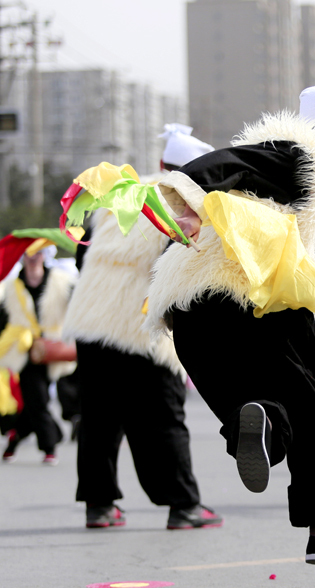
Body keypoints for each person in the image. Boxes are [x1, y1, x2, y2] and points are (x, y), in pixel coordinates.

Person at [144, 76, 315, 569]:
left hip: (190, 312)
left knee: (255, 402)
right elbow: (210, 166)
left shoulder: (282, 182)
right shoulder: (300, 153)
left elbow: (289, 237)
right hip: (248, 298)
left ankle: (263, 427)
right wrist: (184, 200)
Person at [62, 125, 222, 530]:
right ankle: (184, 505)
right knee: (163, 416)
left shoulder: (120, 196)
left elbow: (84, 258)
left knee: (98, 418)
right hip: (140, 326)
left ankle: (98, 506)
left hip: (91, 320)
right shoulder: (188, 207)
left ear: (161, 165)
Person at [1, 247, 76, 464]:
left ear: (45, 256)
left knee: (35, 399)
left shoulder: (61, 282)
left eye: (38, 254)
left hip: (53, 349)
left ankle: (17, 435)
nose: (33, 259)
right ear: (22, 257)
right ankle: (50, 445)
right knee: (37, 397)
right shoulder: (12, 286)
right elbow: (3, 318)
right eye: (28, 254)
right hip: (23, 350)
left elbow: (77, 308)